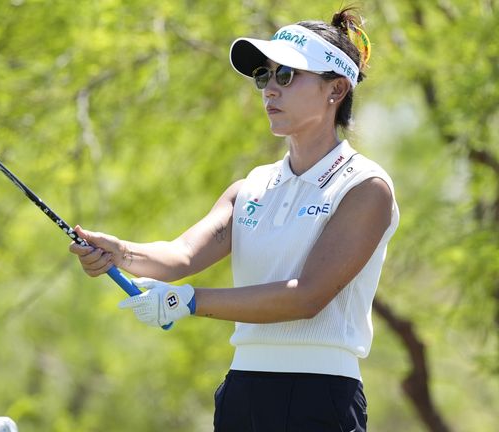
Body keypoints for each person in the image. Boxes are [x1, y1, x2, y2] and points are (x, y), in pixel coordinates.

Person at [69, 7, 398, 432]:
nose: (269, 90)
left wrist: (190, 301)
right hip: (243, 392)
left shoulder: (365, 186)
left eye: (286, 76)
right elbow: (181, 254)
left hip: (322, 396)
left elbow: (307, 296)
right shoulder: (251, 187)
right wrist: (120, 253)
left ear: (336, 90)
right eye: (265, 76)